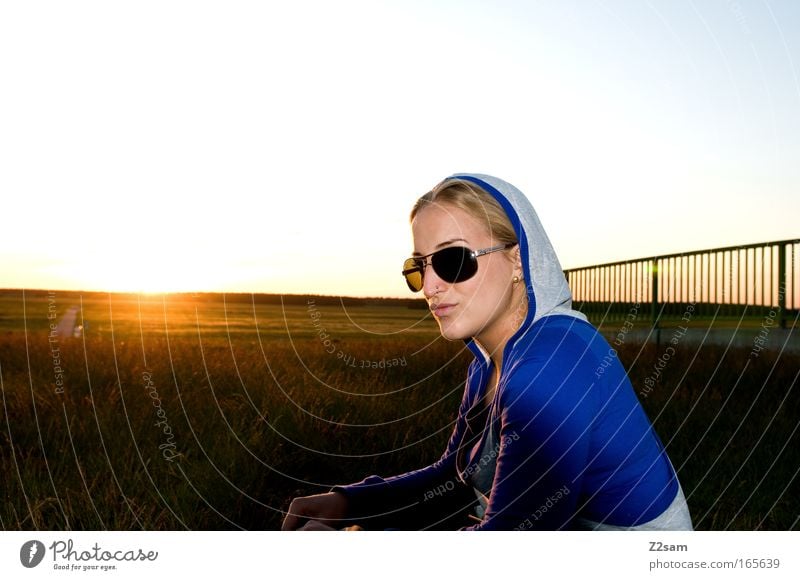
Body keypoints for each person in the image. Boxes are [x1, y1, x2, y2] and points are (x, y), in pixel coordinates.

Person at [282, 173, 693, 531]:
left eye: (453, 260)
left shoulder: (552, 365)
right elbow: (454, 480)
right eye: (418, 267)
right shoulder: (488, 364)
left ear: (518, 259)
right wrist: (351, 504)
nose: (429, 286)